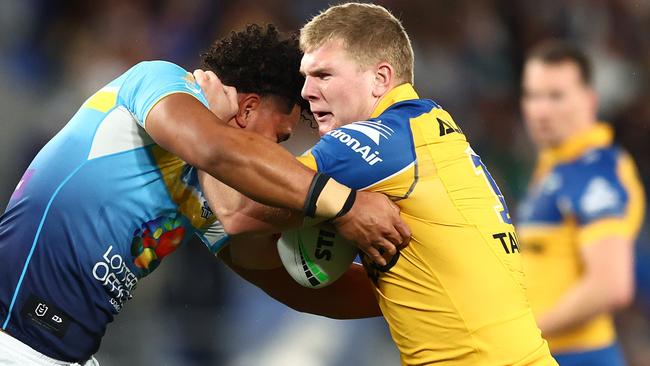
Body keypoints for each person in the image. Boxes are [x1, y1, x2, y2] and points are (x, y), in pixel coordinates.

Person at [0, 24, 410, 365]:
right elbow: (211, 147)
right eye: (280, 137)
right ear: (248, 109)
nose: (280, 151)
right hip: (12, 338)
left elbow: (286, 279)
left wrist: (416, 289)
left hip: (66, 354)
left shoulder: (206, 189)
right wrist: (345, 203)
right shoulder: (158, 80)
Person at [200, 3, 557, 365]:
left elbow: (235, 212)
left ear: (380, 79)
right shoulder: (427, 127)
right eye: (306, 77)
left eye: (323, 75)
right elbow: (350, 295)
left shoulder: (369, 142)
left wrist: (213, 122)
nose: (306, 92)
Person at [517, 41, 645, 365]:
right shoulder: (556, 166)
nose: (541, 109)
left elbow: (611, 284)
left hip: (579, 356)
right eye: (532, 95)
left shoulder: (595, 172)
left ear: (589, 100)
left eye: (556, 96)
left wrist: (523, 332)